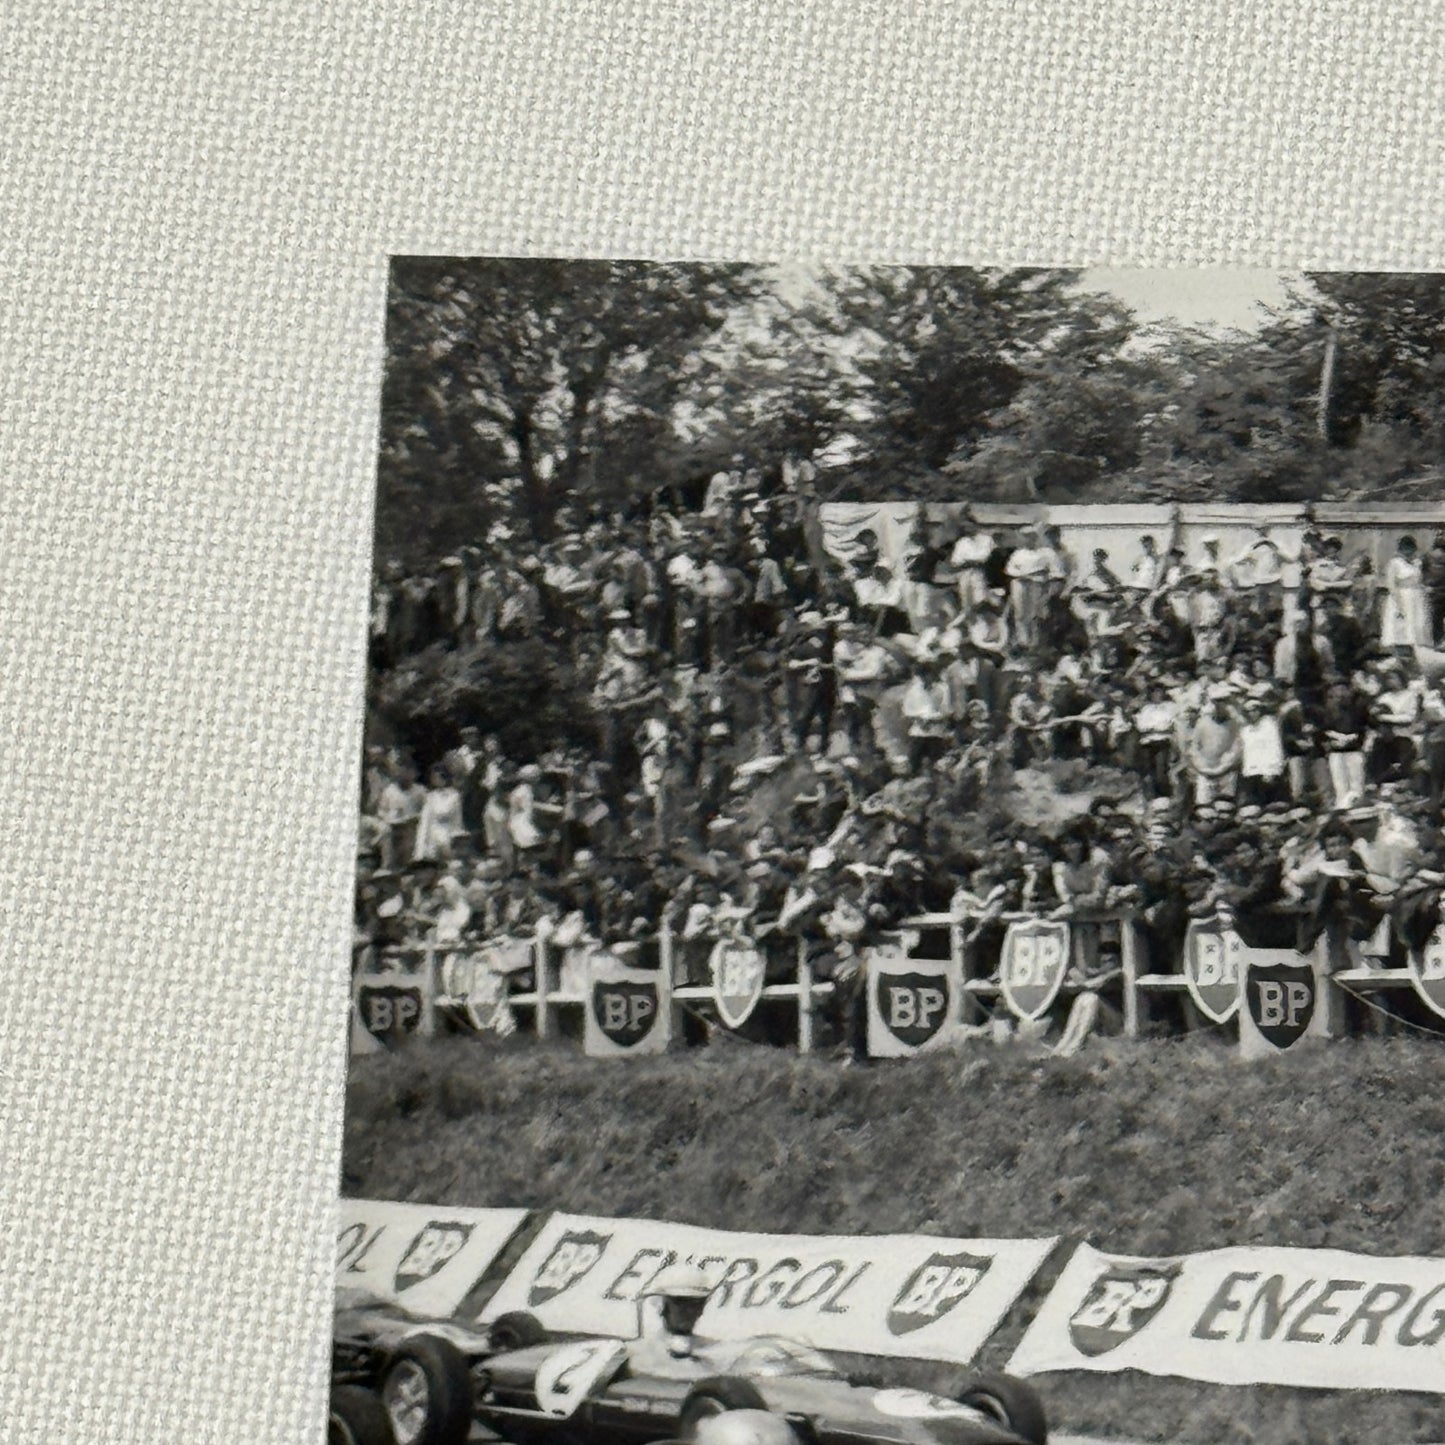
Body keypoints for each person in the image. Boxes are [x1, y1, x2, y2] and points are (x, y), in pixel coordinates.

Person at [629, 1263, 717, 1378]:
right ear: (662, 1306)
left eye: (695, 1304)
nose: (687, 1311)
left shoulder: (712, 1355)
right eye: (679, 1302)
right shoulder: (641, 1354)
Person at [1382, 535, 1430, 648]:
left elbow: (1419, 580)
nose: (1408, 552)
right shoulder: (1395, 563)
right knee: (1403, 624)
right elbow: (1391, 584)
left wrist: (1424, 589)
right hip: (1402, 595)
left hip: (1417, 596)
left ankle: (1417, 647)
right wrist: (1398, 603)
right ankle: (1402, 649)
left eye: (1411, 549)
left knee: (1418, 623)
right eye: (1406, 549)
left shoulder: (1417, 563)